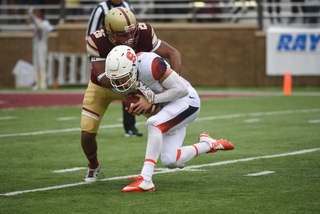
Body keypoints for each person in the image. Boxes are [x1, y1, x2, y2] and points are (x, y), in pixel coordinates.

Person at [104, 45, 235, 192]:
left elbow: (181, 90)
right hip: (169, 106)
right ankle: (207, 145)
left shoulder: (150, 64)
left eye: (124, 76)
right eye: (117, 78)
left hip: (187, 100)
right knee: (171, 160)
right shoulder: (119, 77)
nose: (121, 82)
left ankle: (145, 179)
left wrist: (151, 100)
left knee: (154, 123)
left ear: (133, 67)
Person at [82, 7, 182, 182]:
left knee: (166, 122)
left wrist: (172, 81)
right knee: (87, 133)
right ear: (110, 33)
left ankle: (173, 154)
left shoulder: (144, 32)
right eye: (123, 35)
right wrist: (138, 86)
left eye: (131, 33)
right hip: (103, 88)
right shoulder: (97, 40)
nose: (129, 39)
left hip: (135, 86)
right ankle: (93, 165)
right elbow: (103, 78)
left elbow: (173, 53)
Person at [85, 1, 140, 137]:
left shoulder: (127, 6)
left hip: (124, 54)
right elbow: (90, 34)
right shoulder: (101, 8)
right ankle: (91, 124)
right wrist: (92, 58)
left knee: (128, 87)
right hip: (105, 55)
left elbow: (132, 29)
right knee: (104, 86)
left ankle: (130, 126)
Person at [28, 7, 54, 90]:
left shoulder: (45, 24)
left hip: (42, 46)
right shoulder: (37, 24)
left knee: (42, 64)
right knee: (36, 64)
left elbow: (39, 24)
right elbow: (34, 23)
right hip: (35, 46)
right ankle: (37, 83)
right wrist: (31, 15)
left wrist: (31, 14)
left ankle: (43, 83)